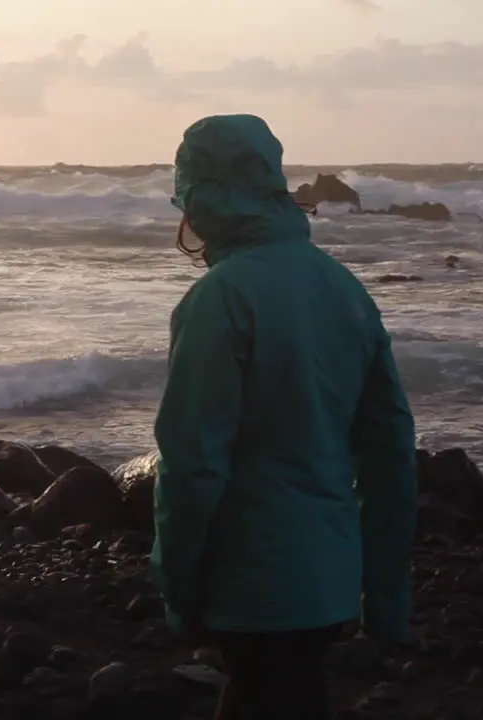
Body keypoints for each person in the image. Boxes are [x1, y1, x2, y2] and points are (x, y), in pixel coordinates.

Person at [150, 113, 418, 720]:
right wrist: (387, 598)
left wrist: (178, 589)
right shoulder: (344, 288)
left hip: (251, 585)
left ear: (200, 201)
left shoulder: (220, 299)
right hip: (330, 578)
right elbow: (390, 453)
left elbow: (192, 466)